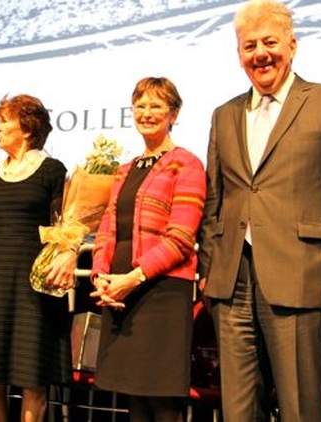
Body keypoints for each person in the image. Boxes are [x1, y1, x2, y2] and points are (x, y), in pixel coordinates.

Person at [196, 0, 321, 420]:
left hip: (301, 278)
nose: (260, 53)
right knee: (238, 410)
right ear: (239, 56)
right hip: (230, 282)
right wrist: (208, 266)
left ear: (292, 45)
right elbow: (215, 201)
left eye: (270, 42)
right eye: (249, 45)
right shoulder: (224, 115)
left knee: (299, 408)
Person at [89, 76, 206, 422]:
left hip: (162, 292)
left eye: (156, 105)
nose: (146, 113)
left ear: (174, 113)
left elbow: (182, 237)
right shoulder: (124, 170)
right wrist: (100, 277)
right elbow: (107, 230)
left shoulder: (186, 163)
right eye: (140, 105)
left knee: (161, 401)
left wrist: (133, 277)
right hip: (120, 293)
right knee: (133, 397)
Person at [0, 94, 75, 422]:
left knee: (33, 377)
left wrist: (68, 251)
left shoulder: (52, 170)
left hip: (34, 286)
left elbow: (66, 225)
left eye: (4, 121)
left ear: (27, 129)